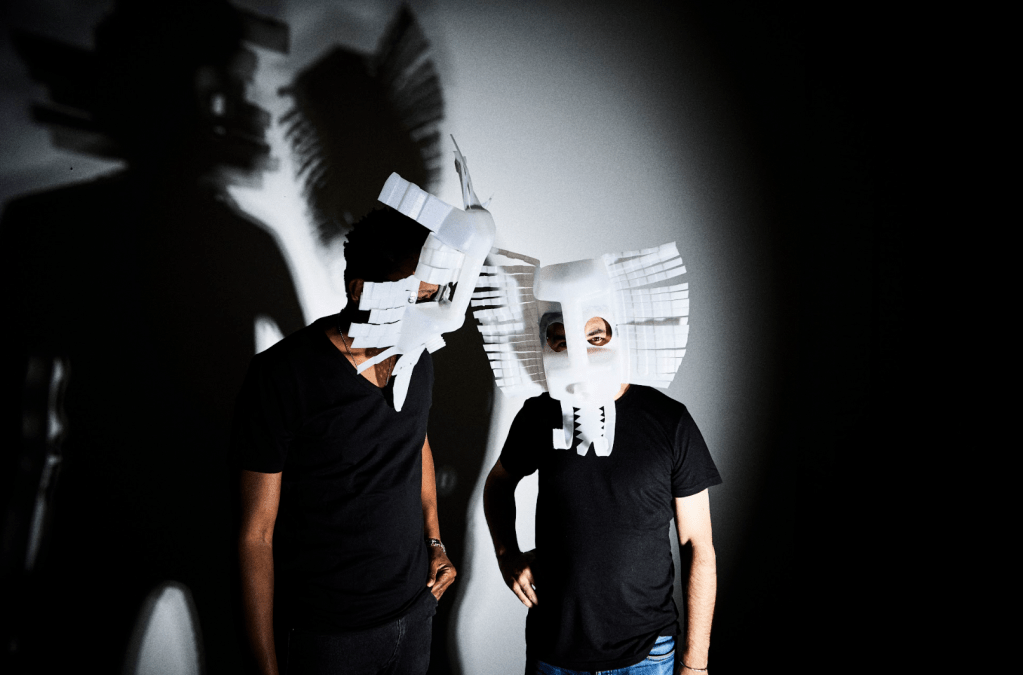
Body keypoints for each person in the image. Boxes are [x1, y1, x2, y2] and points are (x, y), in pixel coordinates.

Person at [476, 247, 721, 674]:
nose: (580, 356)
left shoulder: (670, 421)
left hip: (647, 654)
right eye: (561, 341)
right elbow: (499, 483)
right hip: (554, 651)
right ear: (546, 344)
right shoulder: (538, 415)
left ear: (616, 334)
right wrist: (506, 554)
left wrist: (695, 662)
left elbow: (697, 545)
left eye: (595, 338)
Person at [233, 206, 457, 675]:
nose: (425, 314)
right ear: (359, 288)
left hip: (415, 612)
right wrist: (265, 666)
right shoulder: (282, 374)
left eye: (432, 298)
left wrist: (434, 540)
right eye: (412, 297)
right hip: (327, 636)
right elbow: (255, 535)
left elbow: (415, 442)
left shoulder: (418, 357)